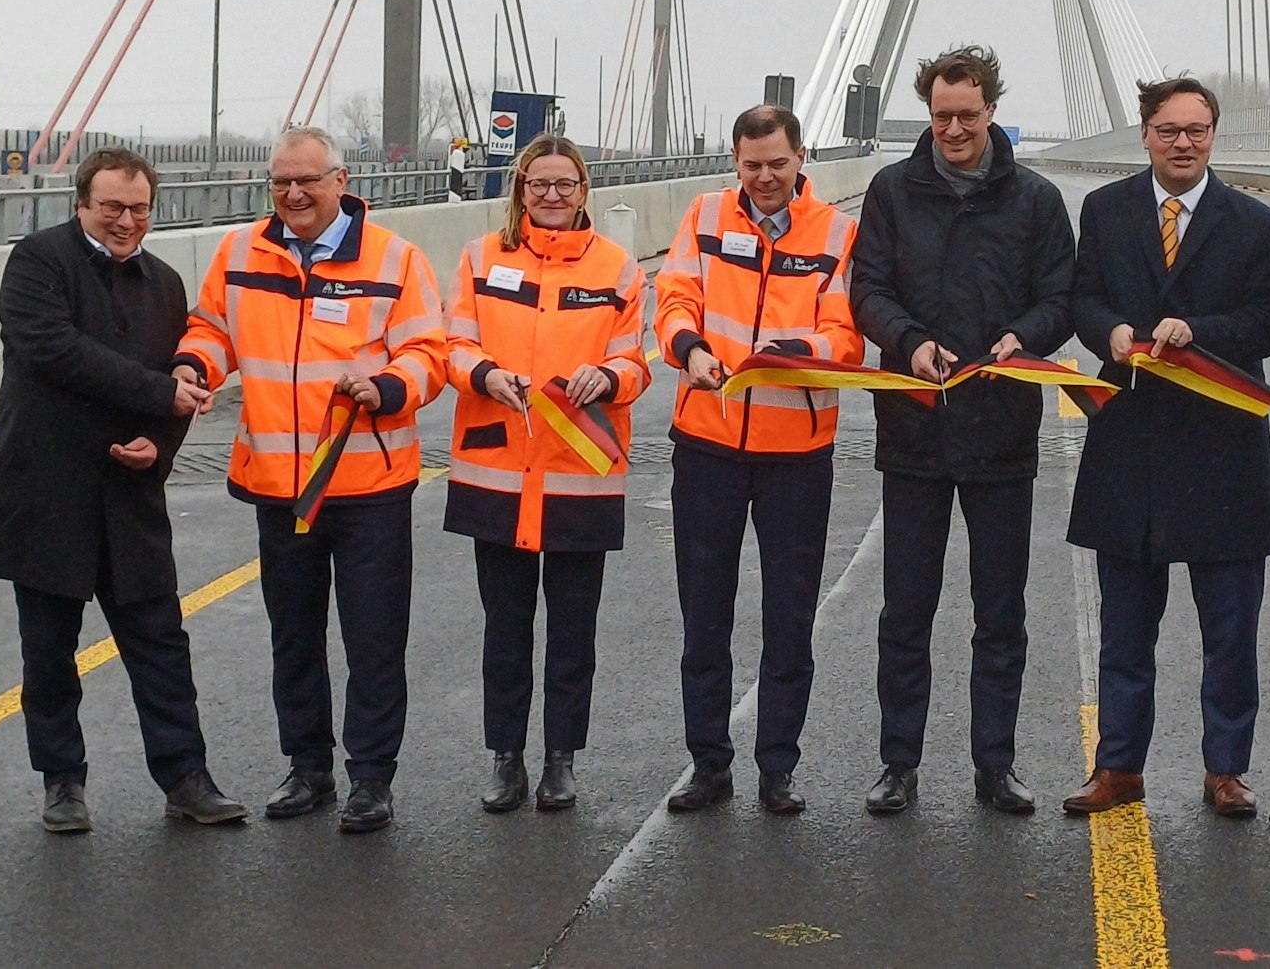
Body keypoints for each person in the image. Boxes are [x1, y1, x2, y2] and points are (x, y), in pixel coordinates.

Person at [175, 125, 448, 834]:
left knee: (373, 639)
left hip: (367, 486)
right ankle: (307, 767)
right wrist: (195, 368)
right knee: (292, 636)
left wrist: (387, 386)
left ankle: (371, 778)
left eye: (307, 181)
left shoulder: (396, 258)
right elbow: (211, 329)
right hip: (278, 483)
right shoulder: (240, 253)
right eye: (280, 182)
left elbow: (430, 354)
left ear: (340, 181)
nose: (293, 194)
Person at [0, 147, 246, 833]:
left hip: (130, 497)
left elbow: (182, 383)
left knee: (161, 644)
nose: (127, 221)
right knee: (49, 653)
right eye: (113, 207)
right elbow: (53, 349)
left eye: (140, 209)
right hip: (46, 493)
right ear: (82, 204)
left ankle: (186, 776)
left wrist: (160, 443)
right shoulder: (37, 262)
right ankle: (62, 781)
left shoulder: (165, 283)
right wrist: (158, 394)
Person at [849, 46, 1076, 815]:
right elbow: (867, 289)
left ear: (992, 111)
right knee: (905, 612)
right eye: (941, 115)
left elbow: (1060, 296)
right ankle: (897, 764)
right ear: (928, 111)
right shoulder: (891, 191)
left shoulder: (1036, 199)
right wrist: (910, 341)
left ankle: (995, 765)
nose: (953, 129)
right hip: (913, 429)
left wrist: (1024, 336)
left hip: (1001, 430)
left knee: (999, 613)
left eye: (967, 116)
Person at [1060, 78, 1270, 819]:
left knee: (1230, 630)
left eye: (1196, 130)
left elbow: (1265, 321)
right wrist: (1109, 331)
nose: (1183, 143)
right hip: (1130, 440)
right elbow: (1084, 297)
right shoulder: (1106, 210)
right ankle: (1118, 767)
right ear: (1145, 134)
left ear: (1214, 135)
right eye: (1168, 130)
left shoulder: (1255, 223)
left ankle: (1227, 769)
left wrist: (1196, 333)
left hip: (1222, 445)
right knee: (1126, 629)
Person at [654, 104, 862, 816]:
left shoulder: (835, 232)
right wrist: (690, 349)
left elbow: (847, 335)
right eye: (752, 165)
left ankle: (779, 767)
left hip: (796, 454)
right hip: (707, 444)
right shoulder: (706, 215)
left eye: (778, 163)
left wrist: (796, 351)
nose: (765, 177)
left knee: (789, 619)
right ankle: (708, 764)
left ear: (801, 158)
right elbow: (673, 298)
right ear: (735, 163)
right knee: (704, 616)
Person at [442, 135, 650, 813]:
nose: (552, 195)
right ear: (521, 190)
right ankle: (506, 757)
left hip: (578, 474)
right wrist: (484, 374)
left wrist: (608, 376)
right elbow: (453, 345)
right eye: (539, 184)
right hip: (498, 473)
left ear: (584, 191)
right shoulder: (481, 257)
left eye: (565, 184)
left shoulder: (618, 269)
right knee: (504, 628)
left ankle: (562, 758)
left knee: (572, 631)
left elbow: (635, 363)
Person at [447, 137, 470, 203]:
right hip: (458, 175)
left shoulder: (457, 153)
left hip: (458, 175)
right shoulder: (458, 153)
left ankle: (456, 195)